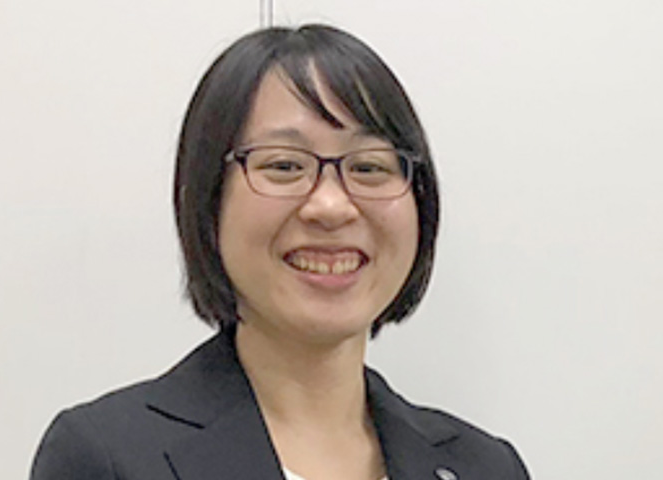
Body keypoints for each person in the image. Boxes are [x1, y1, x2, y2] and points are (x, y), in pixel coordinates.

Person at [30, 24, 530, 480]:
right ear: (209, 200)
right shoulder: (107, 458)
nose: (331, 206)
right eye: (285, 166)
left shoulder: (487, 468)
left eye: (369, 167)